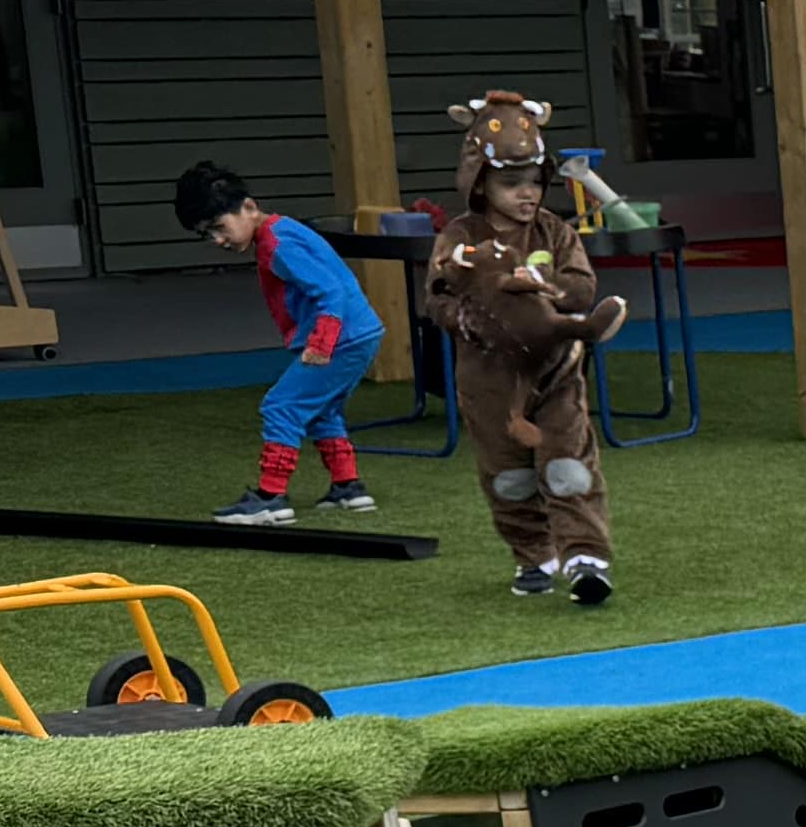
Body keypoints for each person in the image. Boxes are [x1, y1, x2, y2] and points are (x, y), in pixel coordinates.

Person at [418, 93, 629, 605]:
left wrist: (538, 286)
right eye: (512, 183)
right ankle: (534, 555)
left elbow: (581, 287)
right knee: (508, 475)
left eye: (535, 181)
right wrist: (474, 319)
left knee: (567, 465)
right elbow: (438, 297)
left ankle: (585, 559)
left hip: (554, 372)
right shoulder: (459, 235)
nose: (527, 193)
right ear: (480, 184)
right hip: (487, 380)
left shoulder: (555, 232)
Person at [166, 158, 381, 525]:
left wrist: (321, 342)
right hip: (360, 333)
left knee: (281, 406)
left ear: (248, 207)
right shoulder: (283, 232)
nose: (218, 240)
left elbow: (329, 290)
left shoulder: (278, 245)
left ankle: (270, 497)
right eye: (207, 234)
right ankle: (349, 487)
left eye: (219, 227)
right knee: (323, 410)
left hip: (341, 337)